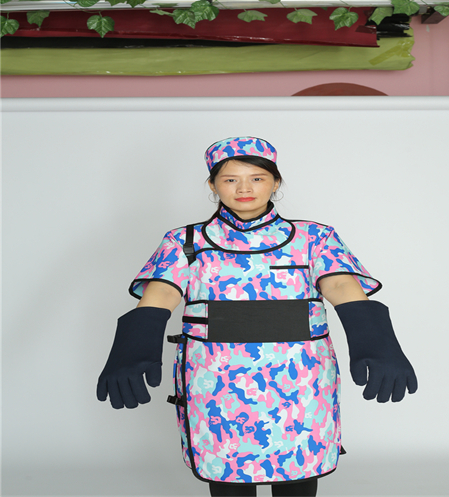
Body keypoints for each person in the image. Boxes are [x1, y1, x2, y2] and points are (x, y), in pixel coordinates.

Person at [97, 136, 417, 497]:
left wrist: (376, 341)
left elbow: (341, 284)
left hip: (300, 382)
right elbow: (163, 292)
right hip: (216, 383)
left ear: (275, 182)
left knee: (298, 473)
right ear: (213, 185)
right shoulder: (185, 241)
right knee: (226, 474)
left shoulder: (314, 237)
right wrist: (134, 345)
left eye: (257, 178)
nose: (244, 188)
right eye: (230, 179)